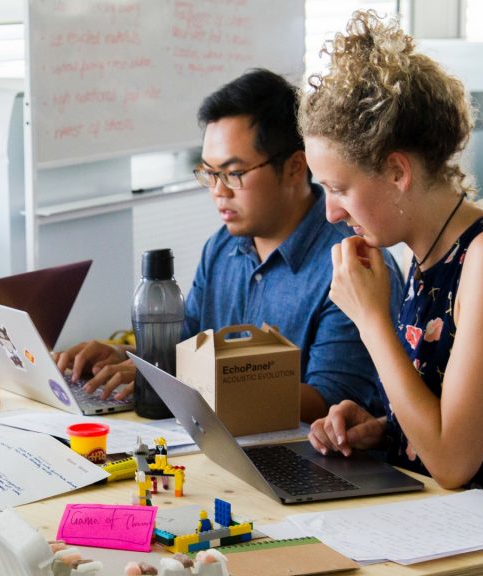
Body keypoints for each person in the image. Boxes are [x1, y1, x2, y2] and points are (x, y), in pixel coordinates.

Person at [56, 69, 403, 422]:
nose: (218, 191)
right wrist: (125, 357)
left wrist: (180, 381)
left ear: (295, 167)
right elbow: (187, 350)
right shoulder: (221, 248)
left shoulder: (351, 264)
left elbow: (333, 401)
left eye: (233, 173)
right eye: (209, 173)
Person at [301, 11, 483, 510]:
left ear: (396, 171)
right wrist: (384, 430)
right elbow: (451, 417)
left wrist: (371, 320)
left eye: (339, 188)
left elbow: (454, 462)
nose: (330, 211)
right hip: (443, 528)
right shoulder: (424, 258)